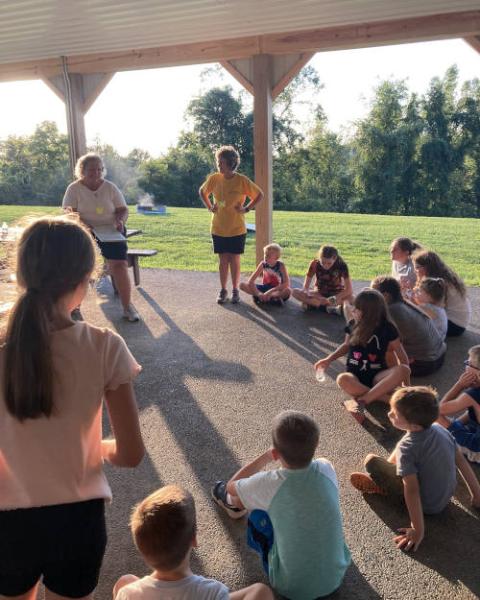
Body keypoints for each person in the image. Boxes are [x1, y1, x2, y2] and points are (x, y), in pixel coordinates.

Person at [0, 216, 145, 600]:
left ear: (21, 275)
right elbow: (130, 454)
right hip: (77, 518)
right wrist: (92, 448)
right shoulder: (105, 346)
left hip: (7, 517)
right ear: (85, 280)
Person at [211, 411, 351, 600]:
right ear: (316, 444)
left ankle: (231, 505)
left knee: (250, 508)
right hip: (335, 578)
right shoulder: (325, 467)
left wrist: (266, 457)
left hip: (291, 588)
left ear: (277, 453)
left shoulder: (270, 483)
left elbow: (231, 486)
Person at [350, 386, 480, 552]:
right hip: (444, 496)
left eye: (394, 414)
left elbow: (411, 490)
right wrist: (477, 495)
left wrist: (417, 530)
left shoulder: (408, 448)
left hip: (428, 505)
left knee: (371, 461)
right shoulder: (441, 429)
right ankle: (392, 468)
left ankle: (381, 487)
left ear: (414, 424)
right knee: (406, 440)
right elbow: (461, 462)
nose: (389, 414)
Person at [113, 485, 273, 600]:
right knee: (261, 591)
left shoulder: (127, 594)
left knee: (126, 581)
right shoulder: (213, 592)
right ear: (194, 540)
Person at [62, 152, 140, 322]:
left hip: (111, 231)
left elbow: (123, 209)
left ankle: (127, 307)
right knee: (81, 269)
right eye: (91, 170)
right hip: (83, 232)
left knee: (119, 265)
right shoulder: (74, 189)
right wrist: (84, 225)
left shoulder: (110, 187)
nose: (96, 173)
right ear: (82, 170)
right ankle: (74, 307)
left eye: (99, 169)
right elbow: (69, 212)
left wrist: (120, 221)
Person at [315, 289, 410, 424]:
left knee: (404, 369)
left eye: (357, 308)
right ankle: (389, 400)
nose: (352, 310)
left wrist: (407, 388)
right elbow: (346, 345)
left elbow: (402, 356)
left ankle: (362, 400)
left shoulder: (387, 328)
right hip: (355, 378)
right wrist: (328, 359)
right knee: (342, 379)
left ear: (370, 313)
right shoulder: (353, 325)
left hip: (378, 377)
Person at [199, 146, 263, 305]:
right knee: (223, 260)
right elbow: (202, 191)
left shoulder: (241, 180)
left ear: (231, 163)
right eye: (218, 162)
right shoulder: (214, 178)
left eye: (221, 162)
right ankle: (223, 290)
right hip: (218, 227)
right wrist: (209, 206)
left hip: (236, 229)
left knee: (234, 260)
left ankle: (235, 290)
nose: (218, 166)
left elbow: (259, 194)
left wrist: (246, 209)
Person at [371, 276, 446, 376]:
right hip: (439, 356)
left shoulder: (392, 311)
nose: (370, 297)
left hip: (425, 364)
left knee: (383, 347)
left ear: (385, 296)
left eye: (373, 294)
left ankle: (394, 377)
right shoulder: (404, 303)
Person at [437, 345, 480, 463]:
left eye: (469, 363)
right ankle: (454, 428)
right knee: (471, 410)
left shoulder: (473, 395)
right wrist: (456, 424)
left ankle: (449, 436)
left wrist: (459, 385)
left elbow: (439, 409)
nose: (466, 365)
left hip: (477, 450)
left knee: (434, 415)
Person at [413, 250, 471, 336]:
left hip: (455, 326)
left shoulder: (439, 284)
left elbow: (424, 304)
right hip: (458, 322)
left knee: (414, 315)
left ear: (426, 268)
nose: (415, 270)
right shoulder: (439, 279)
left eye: (417, 267)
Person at [292, 244, 353, 316]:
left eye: (329, 263)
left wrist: (331, 299)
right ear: (319, 258)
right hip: (319, 293)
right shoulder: (314, 263)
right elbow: (306, 286)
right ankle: (330, 308)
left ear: (335, 258)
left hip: (336, 294)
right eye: (323, 263)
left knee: (353, 299)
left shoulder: (342, 265)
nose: (325, 266)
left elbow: (349, 290)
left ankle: (314, 305)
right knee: (295, 292)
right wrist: (307, 292)